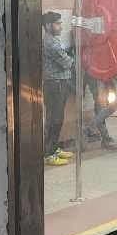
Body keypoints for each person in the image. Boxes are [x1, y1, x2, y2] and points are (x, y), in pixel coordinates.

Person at [43, 12, 75, 167]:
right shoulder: (51, 43)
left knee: (57, 119)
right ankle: (49, 154)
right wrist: (71, 58)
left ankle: (53, 149)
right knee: (54, 120)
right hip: (55, 84)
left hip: (58, 83)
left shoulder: (53, 41)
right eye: (57, 24)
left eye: (61, 23)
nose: (61, 27)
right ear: (48, 26)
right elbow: (68, 62)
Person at [85, 76, 117, 151]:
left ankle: (103, 137)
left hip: (106, 74)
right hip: (99, 74)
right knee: (103, 106)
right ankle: (90, 129)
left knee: (106, 107)